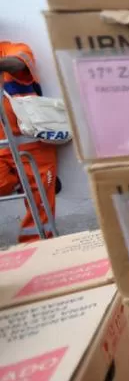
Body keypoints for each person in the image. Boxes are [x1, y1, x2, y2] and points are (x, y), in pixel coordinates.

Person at [0, 41, 57, 242]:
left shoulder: (13, 49)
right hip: (2, 148)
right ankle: (18, 183)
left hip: (31, 146)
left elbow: (18, 64)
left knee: (40, 203)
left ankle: (38, 248)